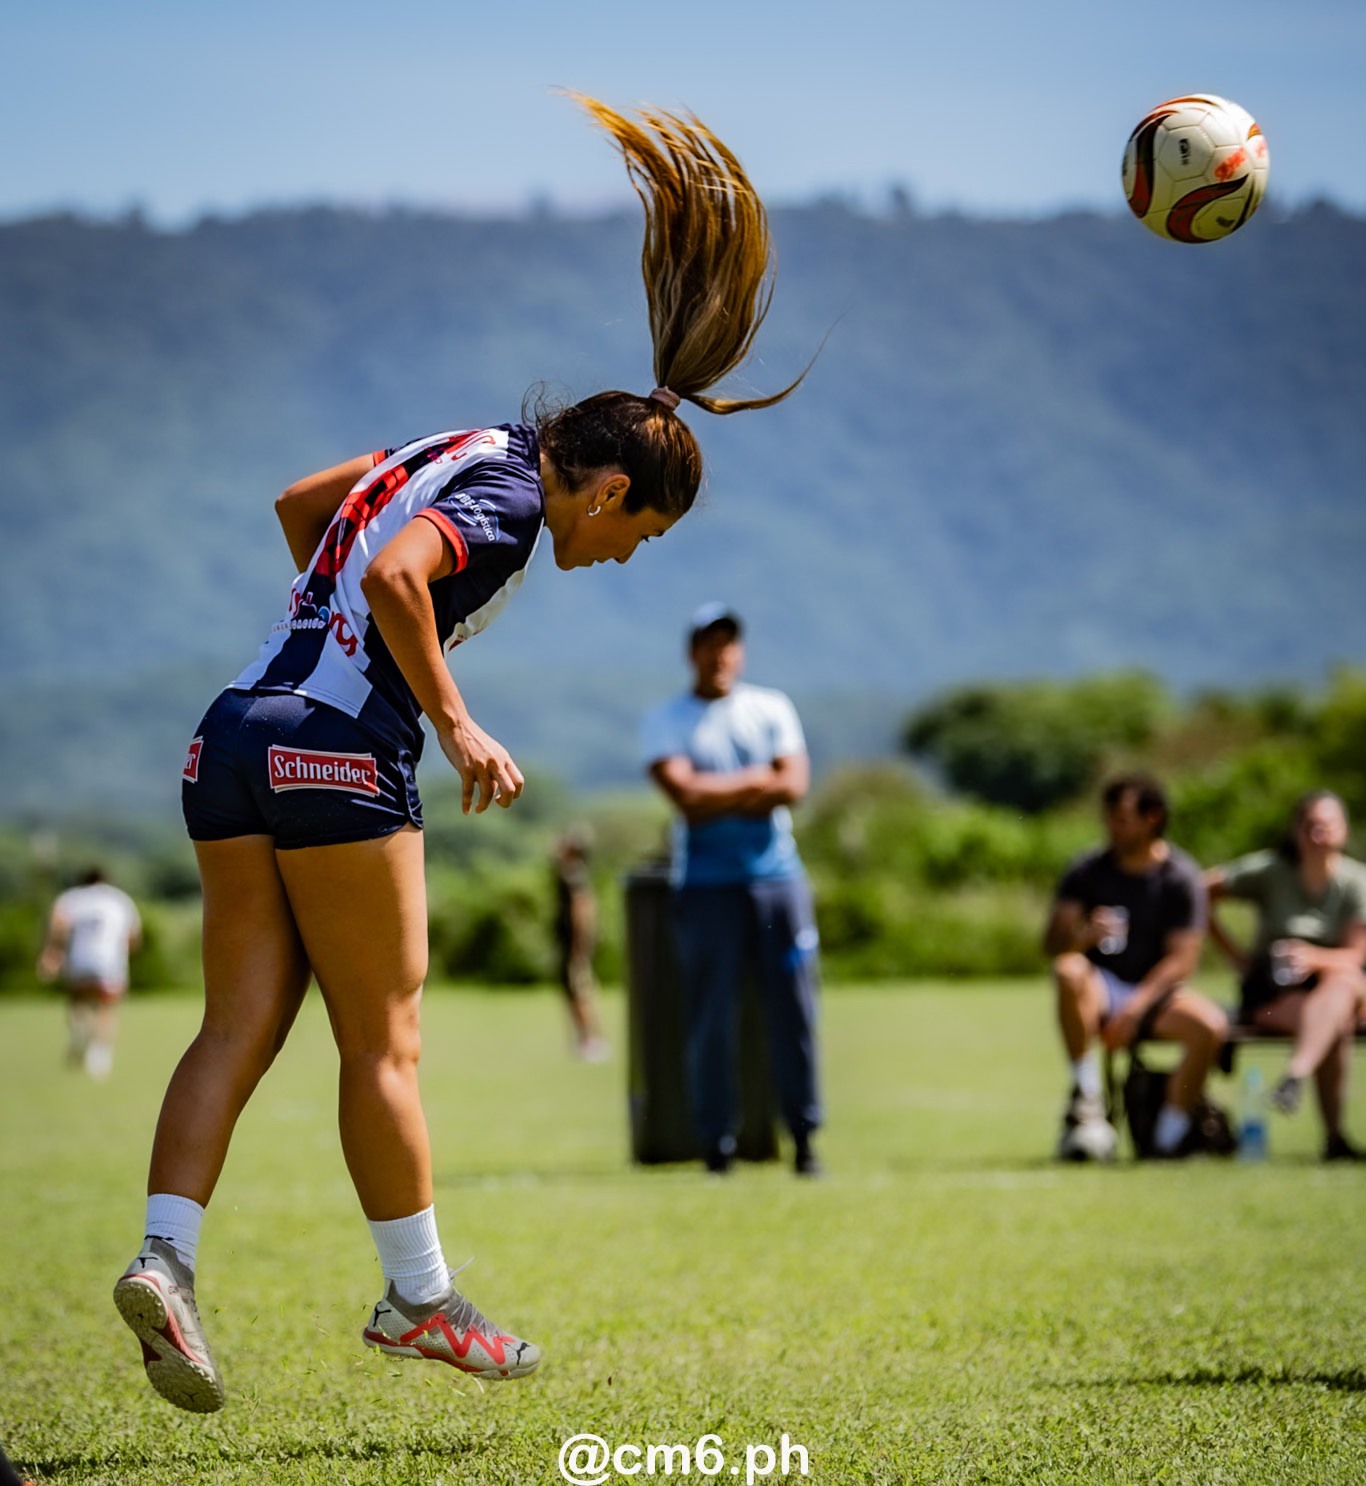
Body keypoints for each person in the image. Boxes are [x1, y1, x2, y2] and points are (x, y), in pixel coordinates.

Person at [112, 95, 810, 1414]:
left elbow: (308, 509)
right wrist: (449, 714)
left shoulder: (458, 446)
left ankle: (167, 1257)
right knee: (383, 1038)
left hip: (231, 735)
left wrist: (332, 628)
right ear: (606, 489)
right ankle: (419, 1297)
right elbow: (391, 569)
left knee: (238, 1021)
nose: (619, 556)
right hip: (337, 753)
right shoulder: (507, 504)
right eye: (637, 536)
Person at [641, 604, 823, 1177]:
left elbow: (792, 785)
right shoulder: (668, 719)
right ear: (692, 652)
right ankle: (716, 1144)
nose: (721, 654)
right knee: (709, 1017)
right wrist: (754, 782)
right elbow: (687, 801)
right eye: (709, 644)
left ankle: (804, 1138)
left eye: (730, 643)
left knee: (793, 1012)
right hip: (706, 886)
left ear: (739, 651)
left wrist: (717, 789)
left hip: (777, 881)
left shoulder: (771, 708)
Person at [1043, 772, 1227, 1160]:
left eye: (1122, 820)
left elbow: (1182, 959)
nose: (1112, 829)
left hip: (1157, 991)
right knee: (1067, 970)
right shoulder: (1088, 869)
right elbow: (1053, 946)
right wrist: (1082, 938)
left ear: (1152, 818)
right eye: (1108, 819)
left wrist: (1137, 1006)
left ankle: (1168, 1135)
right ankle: (1087, 1097)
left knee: (1210, 1027)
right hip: (1102, 984)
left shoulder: (1180, 877)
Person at [1206, 789, 1366, 1161]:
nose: (1318, 835)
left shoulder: (1356, 882)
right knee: (1334, 1023)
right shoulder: (1270, 871)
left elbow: (1356, 956)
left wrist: (1315, 959)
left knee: (1342, 988)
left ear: (1343, 831)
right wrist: (1234, 955)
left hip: (1335, 986)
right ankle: (1334, 1139)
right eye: (1310, 826)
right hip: (1273, 991)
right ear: (1296, 831)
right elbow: (1199, 890)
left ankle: (1295, 1075)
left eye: (1327, 826)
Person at [36, 866, 141, 1079]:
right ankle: (99, 1057)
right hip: (110, 963)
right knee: (107, 1008)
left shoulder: (71, 899)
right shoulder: (120, 900)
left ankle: (78, 1035)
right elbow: (133, 938)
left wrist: (51, 955)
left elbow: (58, 927)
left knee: (78, 1003)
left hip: (79, 962)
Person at [553, 829, 608, 1061]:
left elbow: (582, 912)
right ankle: (585, 1039)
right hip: (571, 945)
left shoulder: (573, 876)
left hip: (575, 947)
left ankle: (592, 1040)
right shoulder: (571, 873)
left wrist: (580, 947)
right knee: (575, 992)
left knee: (581, 993)